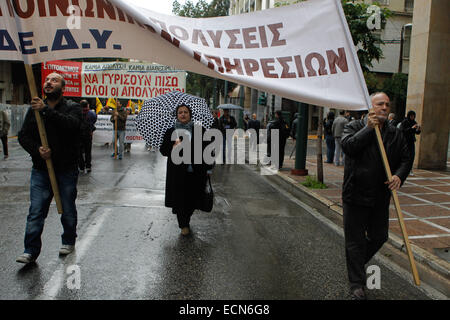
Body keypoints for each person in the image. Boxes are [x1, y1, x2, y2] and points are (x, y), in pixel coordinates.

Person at [341, 92, 411, 300]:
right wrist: (368, 129)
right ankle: (357, 285)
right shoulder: (354, 126)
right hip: (355, 194)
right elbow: (348, 147)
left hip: (380, 196)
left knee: (380, 236)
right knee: (355, 241)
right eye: (380, 104)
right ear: (369, 106)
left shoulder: (395, 133)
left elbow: (406, 159)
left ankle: (355, 264)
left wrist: (399, 175)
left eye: (387, 105)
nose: (384, 107)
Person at [16, 73, 82, 264]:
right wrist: (37, 151)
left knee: (67, 208)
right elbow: (23, 136)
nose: (48, 82)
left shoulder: (72, 108)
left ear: (63, 87)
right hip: (41, 170)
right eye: (47, 80)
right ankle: (30, 250)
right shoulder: (34, 109)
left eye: (54, 80)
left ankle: (68, 240)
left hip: (66, 169)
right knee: (36, 210)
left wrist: (46, 111)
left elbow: (73, 126)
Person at [160, 104, 213, 236]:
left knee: (192, 199)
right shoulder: (171, 131)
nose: (183, 114)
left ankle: (187, 219)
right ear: (177, 116)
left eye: (185, 112)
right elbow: (163, 150)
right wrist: (173, 146)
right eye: (180, 112)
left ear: (190, 115)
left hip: (195, 172)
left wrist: (209, 168)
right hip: (177, 173)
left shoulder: (200, 130)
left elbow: (208, 149)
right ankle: (183, 225)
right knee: (179, 200)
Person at [399, 110, 421, 175]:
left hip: (411, 141)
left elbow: (416, 132)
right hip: (405, 142)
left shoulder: (414, 122)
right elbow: (403, 131)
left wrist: (418, 130)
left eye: (414, 116)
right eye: (411, 116)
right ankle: (402, 169)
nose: (412, 117)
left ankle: (410, 169)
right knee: (405, 156)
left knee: (412, 155)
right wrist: (411, 128)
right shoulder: (404, 122)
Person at [78, 100, 97, 173]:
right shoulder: (92, 113)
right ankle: (88, 166)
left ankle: (81, 166)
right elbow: (94, 120)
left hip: (79, 135)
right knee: (88, 151)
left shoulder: (78, 112)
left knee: (79, 151)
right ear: (88, 105)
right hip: (88, 134)